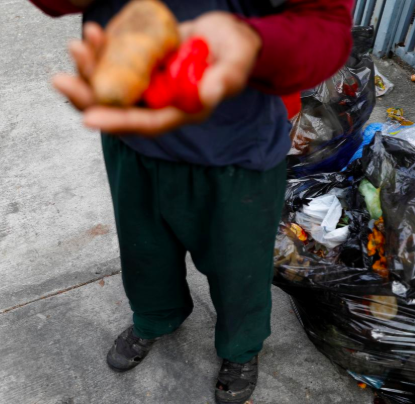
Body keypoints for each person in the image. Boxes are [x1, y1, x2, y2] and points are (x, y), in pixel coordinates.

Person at [29, 1, 353, 402]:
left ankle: (241, 347)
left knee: (239, 266)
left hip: (236, 145)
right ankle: (156, 316)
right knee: (143, 248)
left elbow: (323, 25)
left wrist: (247, 44)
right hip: (133, 131)